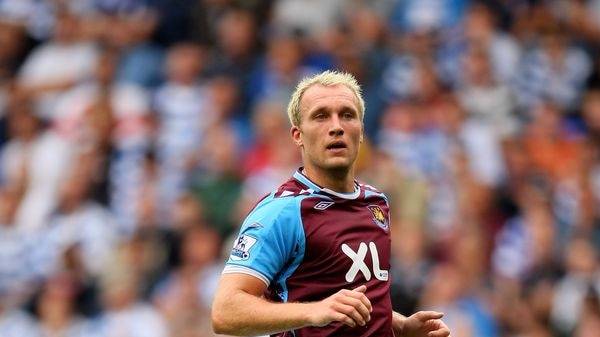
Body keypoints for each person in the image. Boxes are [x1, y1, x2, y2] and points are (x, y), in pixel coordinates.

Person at [211, 70, 452, 337]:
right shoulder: (283, 212)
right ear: (297, 135)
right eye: (321, 116)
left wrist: (399, 325)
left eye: (347, 115)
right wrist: (314, 312)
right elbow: (225, 311)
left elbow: (356, 294)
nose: (336, 126)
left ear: (361, 131)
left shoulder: (375, 202)